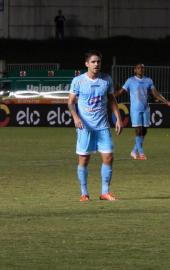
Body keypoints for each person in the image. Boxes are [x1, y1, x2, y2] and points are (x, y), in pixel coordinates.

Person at [68, 50, 123, 202]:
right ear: (86, 64)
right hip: (85, 128)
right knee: (84, 160)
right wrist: (76, 117)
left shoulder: (106, 79)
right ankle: (84, 193)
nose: (96, 64)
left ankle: (105, 192)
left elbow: (112, 100)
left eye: (98, 61)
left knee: (108, 157)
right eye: (93, 62)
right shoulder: (78, 81)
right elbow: (70, 103)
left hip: (103, 127)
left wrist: (118, 119)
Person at [115, 63, 170, 160]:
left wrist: (166, 102)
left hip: (145, 109)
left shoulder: (148, 81)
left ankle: (134, 151)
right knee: (138, 130)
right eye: (139, 68)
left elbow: (155, 94)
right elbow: (121, 91)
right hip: (135, 109)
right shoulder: (130, 81)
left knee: (144, 131)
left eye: (142, 68)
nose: (141, 69)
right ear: (135, 70)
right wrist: (111, 97)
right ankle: (141, 153)